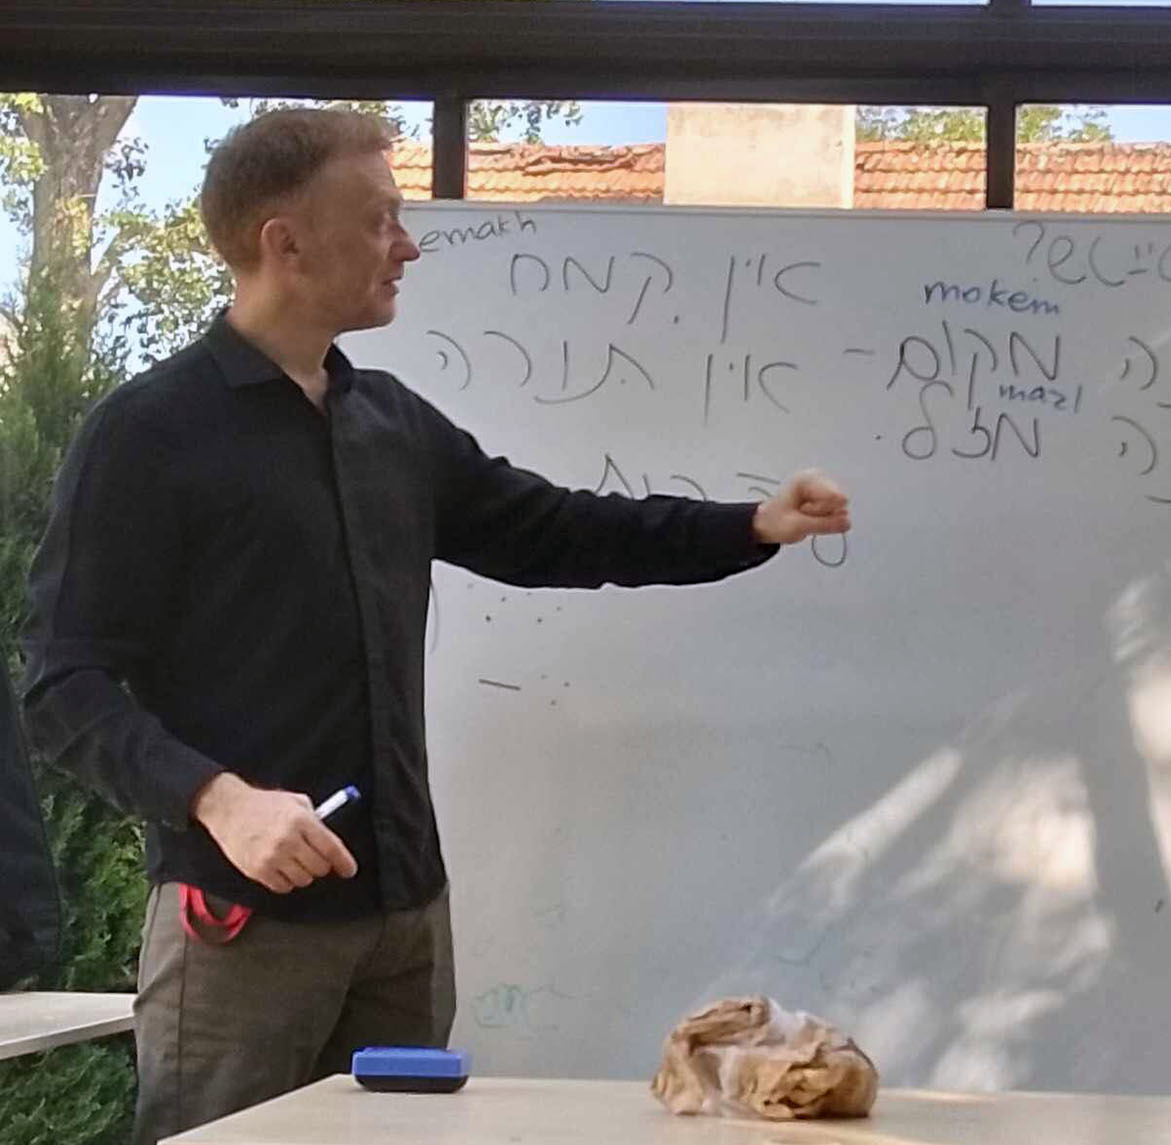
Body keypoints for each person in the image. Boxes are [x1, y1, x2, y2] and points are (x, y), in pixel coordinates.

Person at [21, 108, 850, 1144]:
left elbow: (551, 528)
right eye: (378, 221)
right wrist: (220, 802)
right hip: (242, 930)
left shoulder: (391, 425)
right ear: (285, 242)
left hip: (408, 914)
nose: (407, 244)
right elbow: (63, 683)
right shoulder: (147, 433)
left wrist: (749, 524)